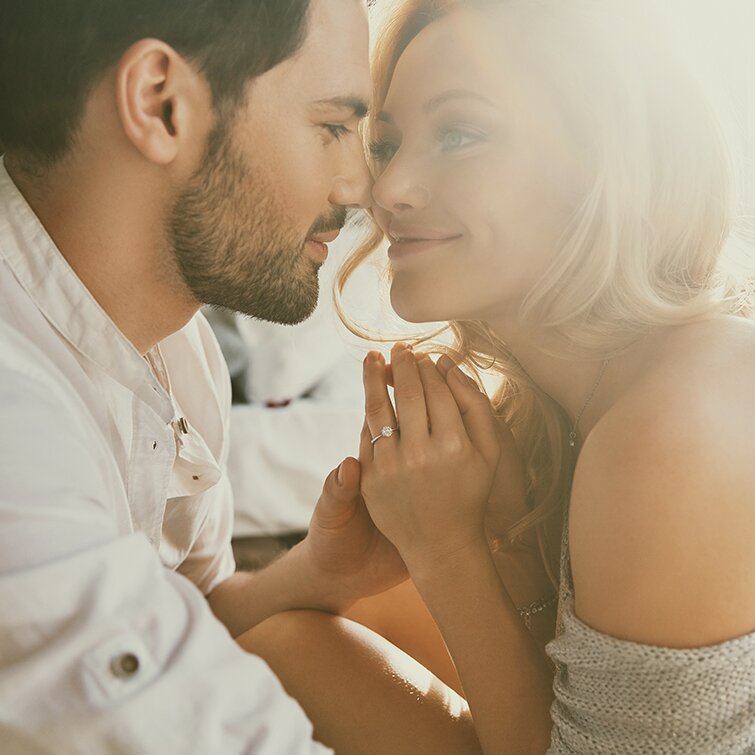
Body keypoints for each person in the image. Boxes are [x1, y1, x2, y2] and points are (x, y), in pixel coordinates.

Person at [241, 0, 755, 753]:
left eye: (461, 133)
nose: (386, 191)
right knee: (293, 649)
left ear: (602, 166)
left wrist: (447, 549)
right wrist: (491, 550)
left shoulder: (672, 429)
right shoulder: (570, 407)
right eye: (386, 143)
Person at [0, 1, 480, 752]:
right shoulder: (17, 423)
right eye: (331, 128)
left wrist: (317, 571)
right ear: (160, 103)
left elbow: (184, 613)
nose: (363, 188)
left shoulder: (173, 345)